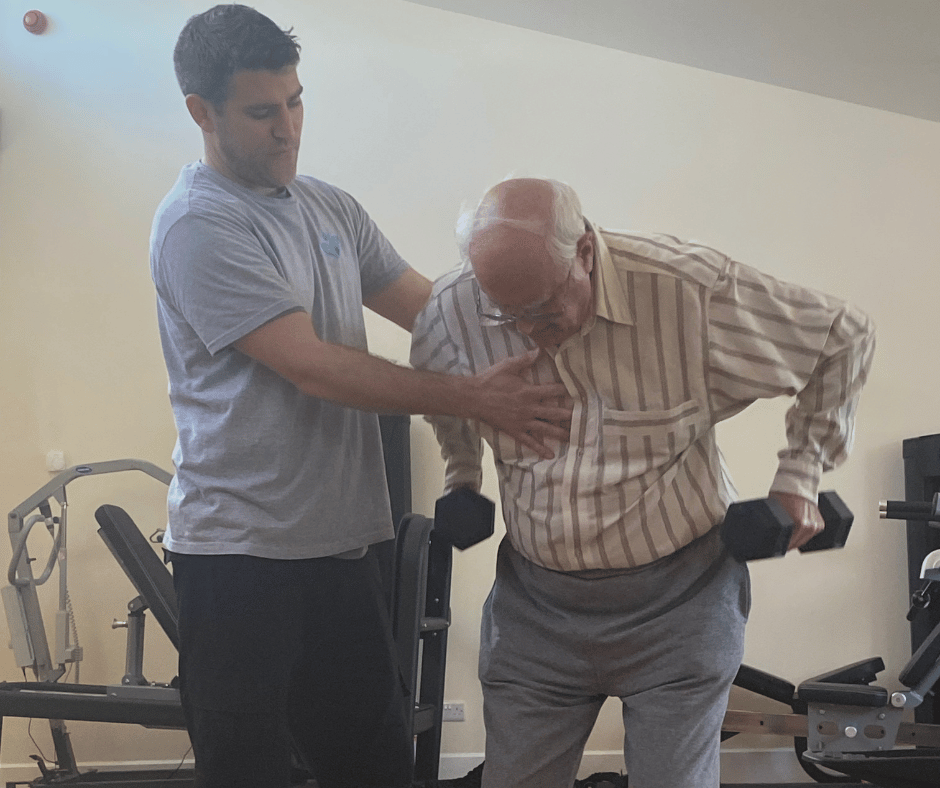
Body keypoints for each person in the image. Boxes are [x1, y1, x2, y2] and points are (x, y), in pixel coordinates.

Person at [149, 8, 571, 788]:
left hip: (343, 549)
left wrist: (558, 322)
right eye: (262, 111)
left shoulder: (330, 208)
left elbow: (434, 308)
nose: (288, 128)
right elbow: (314, 366)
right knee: (250, 774)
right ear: (200, 112)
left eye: (297, 101)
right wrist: (475, 398)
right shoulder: (197, 226)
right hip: (240, 558)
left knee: (372, 767)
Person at [410, 177, 876, 788]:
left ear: (584, 252)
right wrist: (462, 474)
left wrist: (800, 477)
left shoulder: (689, 292)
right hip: (536, 609)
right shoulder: (453, 307)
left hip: (681, 604)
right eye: (507, 315)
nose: (527, 331)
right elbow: (442, 393)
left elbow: (842, 337)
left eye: (545, 311)